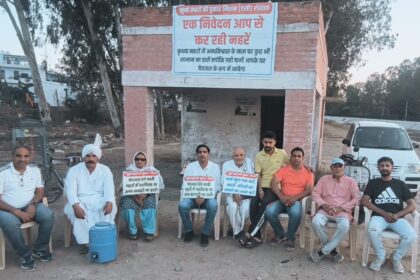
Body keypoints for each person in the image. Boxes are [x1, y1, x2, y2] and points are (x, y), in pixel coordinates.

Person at [0, 146, 54, 270]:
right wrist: (16, 211)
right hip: (6, 209)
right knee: (11, 224)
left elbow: (40, 192)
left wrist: (32, 205)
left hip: (30, 205)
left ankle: (39, 248)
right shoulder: (3, 173)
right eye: (18, 155)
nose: (22, 159)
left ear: (30, 157)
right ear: (12, 156)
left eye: (26, 156)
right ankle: (25, 254)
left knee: (48, 215)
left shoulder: (35, 170)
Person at [362, 156, 417, 273]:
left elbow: (412, 205)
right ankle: (380, 257)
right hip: (378, 217)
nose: (384, 168)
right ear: (378, 168)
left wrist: (397, 215)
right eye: (382, 165)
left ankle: (396, 259)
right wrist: (384, 213)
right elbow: (365, 201)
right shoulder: (373, 183)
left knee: (411, 235)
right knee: (372, 230)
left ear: (392, 167)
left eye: (387, 165)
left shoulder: (400, 184)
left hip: (397, 218)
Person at [64, 139, 117, 254]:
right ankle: (86, 243)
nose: (91, 158)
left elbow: (109, 188)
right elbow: (70, 190)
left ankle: (103, 238)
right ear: (83, 157)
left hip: (100, 199)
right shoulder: (74, 170)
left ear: (98, 158)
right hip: (80, 200)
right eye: (87, 156)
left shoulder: (105, 170)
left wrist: (109, 201)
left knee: (108, 211)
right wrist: (75, 205)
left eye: (93, 156)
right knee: (78, 212)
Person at [240, 130, 289, 248]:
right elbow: (258, 174)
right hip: (262, 185)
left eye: (270, 142)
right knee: (253, 203)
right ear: (262, 142)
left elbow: (291, 165)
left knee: (265, 203)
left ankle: (250, 233)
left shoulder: (282, 153)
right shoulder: (259, 155)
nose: (267, 145)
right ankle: (256, 235)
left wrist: (306, 168)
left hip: (275, 186)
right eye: (265, 142)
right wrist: (260, 190)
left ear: (274, 142)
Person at [310, 158, 360, 263]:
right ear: (331, 168)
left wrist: (341, 207)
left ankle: (323, 251)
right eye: (335, 166)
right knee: (316, 221)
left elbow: (357, 198)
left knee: (345, 226)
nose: (337, 168)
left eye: (339, 166)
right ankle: (332, 251)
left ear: (344, 168)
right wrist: (323, 205)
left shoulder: (350, 181)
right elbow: (315, 193)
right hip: (325, 209)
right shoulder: (324, 179)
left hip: (342, 210)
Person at [265, 147, 313, 251]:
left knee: (295, 213)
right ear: (290, 157)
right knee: (269, 211)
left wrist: (295, 198)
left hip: (296, 201)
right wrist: (282, 197)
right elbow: (272, 184)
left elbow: (309, 190)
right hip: (283, 199)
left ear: (303, 158)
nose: (296, 158)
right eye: (294, 156)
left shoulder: (308, 173)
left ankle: (290, 238)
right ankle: (280, 234)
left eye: (299, 156)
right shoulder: (284, 170)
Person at [178, 144, 221, 247]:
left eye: (204, 152)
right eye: (200, 152)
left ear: (208, 154)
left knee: (213, 205)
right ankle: (189, 230)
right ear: (197, 155)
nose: (202, 154)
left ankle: (205, 233)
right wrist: (195, 197)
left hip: (208, 197)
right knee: (182, 206)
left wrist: (204, 197)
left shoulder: (215, 167)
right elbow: (185, 184)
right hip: (192, 197)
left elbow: (218, 186)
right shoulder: (190, 167)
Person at [120, 151, 164, 241]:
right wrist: (135, 197)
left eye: (142, 159)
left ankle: (149, 232)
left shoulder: (153, 171)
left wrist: (145, 195)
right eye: (137, 159)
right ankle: (132, 231)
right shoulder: (129, 171)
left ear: (146, 161)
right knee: (127, 206)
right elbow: (123, 187)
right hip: (132, 196)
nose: (139, 161)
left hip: (148, 195)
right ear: (134, 160)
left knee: (150, 205)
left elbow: (159, 186)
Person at [221, 147, 254, 240]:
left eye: (241, 155)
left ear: (245, 155)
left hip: (246, 195)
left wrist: (243, 195)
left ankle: (236, 229)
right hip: (231, 193)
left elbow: (252, 180)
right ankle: (239, 232)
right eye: (236, 155)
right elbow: (223, 182)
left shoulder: (249, 163)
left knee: (245, 208)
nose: (239, 158)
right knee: (232, 207)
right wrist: (234, 193)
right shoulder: (227, 165)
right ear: (232, 156)